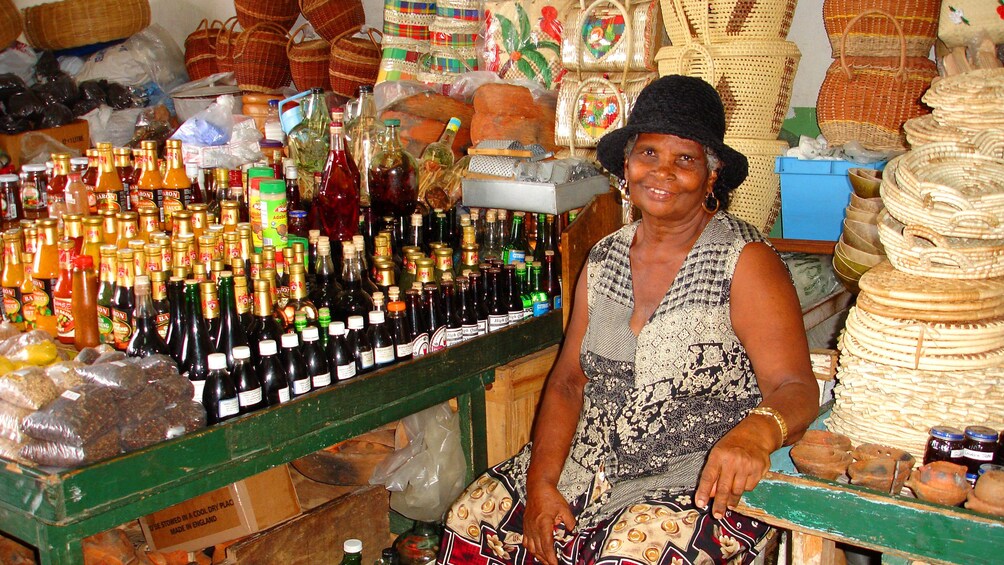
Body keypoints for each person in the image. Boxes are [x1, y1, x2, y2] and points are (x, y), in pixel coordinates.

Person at [437, 75, 820, 565]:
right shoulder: (604, 258)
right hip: (588, 467)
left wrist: (755, 435)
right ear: (626, 164)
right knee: (471, 517)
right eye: (649, 154)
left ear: (711, 175)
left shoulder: (743, 262)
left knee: (629, 555)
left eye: (685, 159)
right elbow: (568, 384)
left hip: (698, 479)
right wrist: (541, 486)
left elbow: (796, 386)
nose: (661, 173)